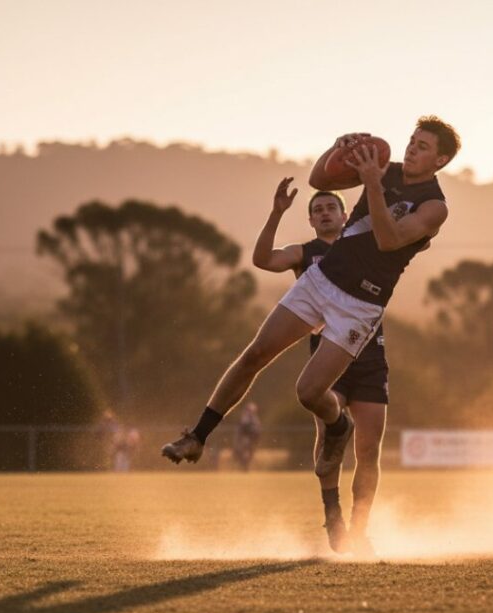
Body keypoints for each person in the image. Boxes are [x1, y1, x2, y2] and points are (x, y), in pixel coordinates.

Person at [162, 115, 460, 546]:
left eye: (423, 146)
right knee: (254, 355)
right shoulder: (385, 165)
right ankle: (197, 436)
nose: (412, 149)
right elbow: (322, 178)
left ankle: (340, 439)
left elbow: (390, 240)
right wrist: (337, 150)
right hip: (323, 281)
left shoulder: (435, 206)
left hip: (361, 304)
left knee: (307, 392)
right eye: (412, 141)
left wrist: (373, 184)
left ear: (441, 159)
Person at [251, 181, 390, 554]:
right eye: (318, 209)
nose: (325, 212)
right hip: (328, 361)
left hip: (370, 359)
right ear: (311, 220)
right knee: (330, 439)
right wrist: (277, 212)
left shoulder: (368, 246)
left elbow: (406, 240)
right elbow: (264, 259)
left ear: (346, 216)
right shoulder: (305, 253)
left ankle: (361, 531)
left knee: (368, 449)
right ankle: (333, 515)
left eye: (332, 207)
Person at [233, 402, 261, 472]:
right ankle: (243, 466)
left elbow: (257, 430)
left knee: (248, 453)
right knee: (244, 452)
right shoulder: (246, 418)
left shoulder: (254, 419)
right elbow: (242, 429)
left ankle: (245, 466)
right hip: (246, 438)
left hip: (251, 439)